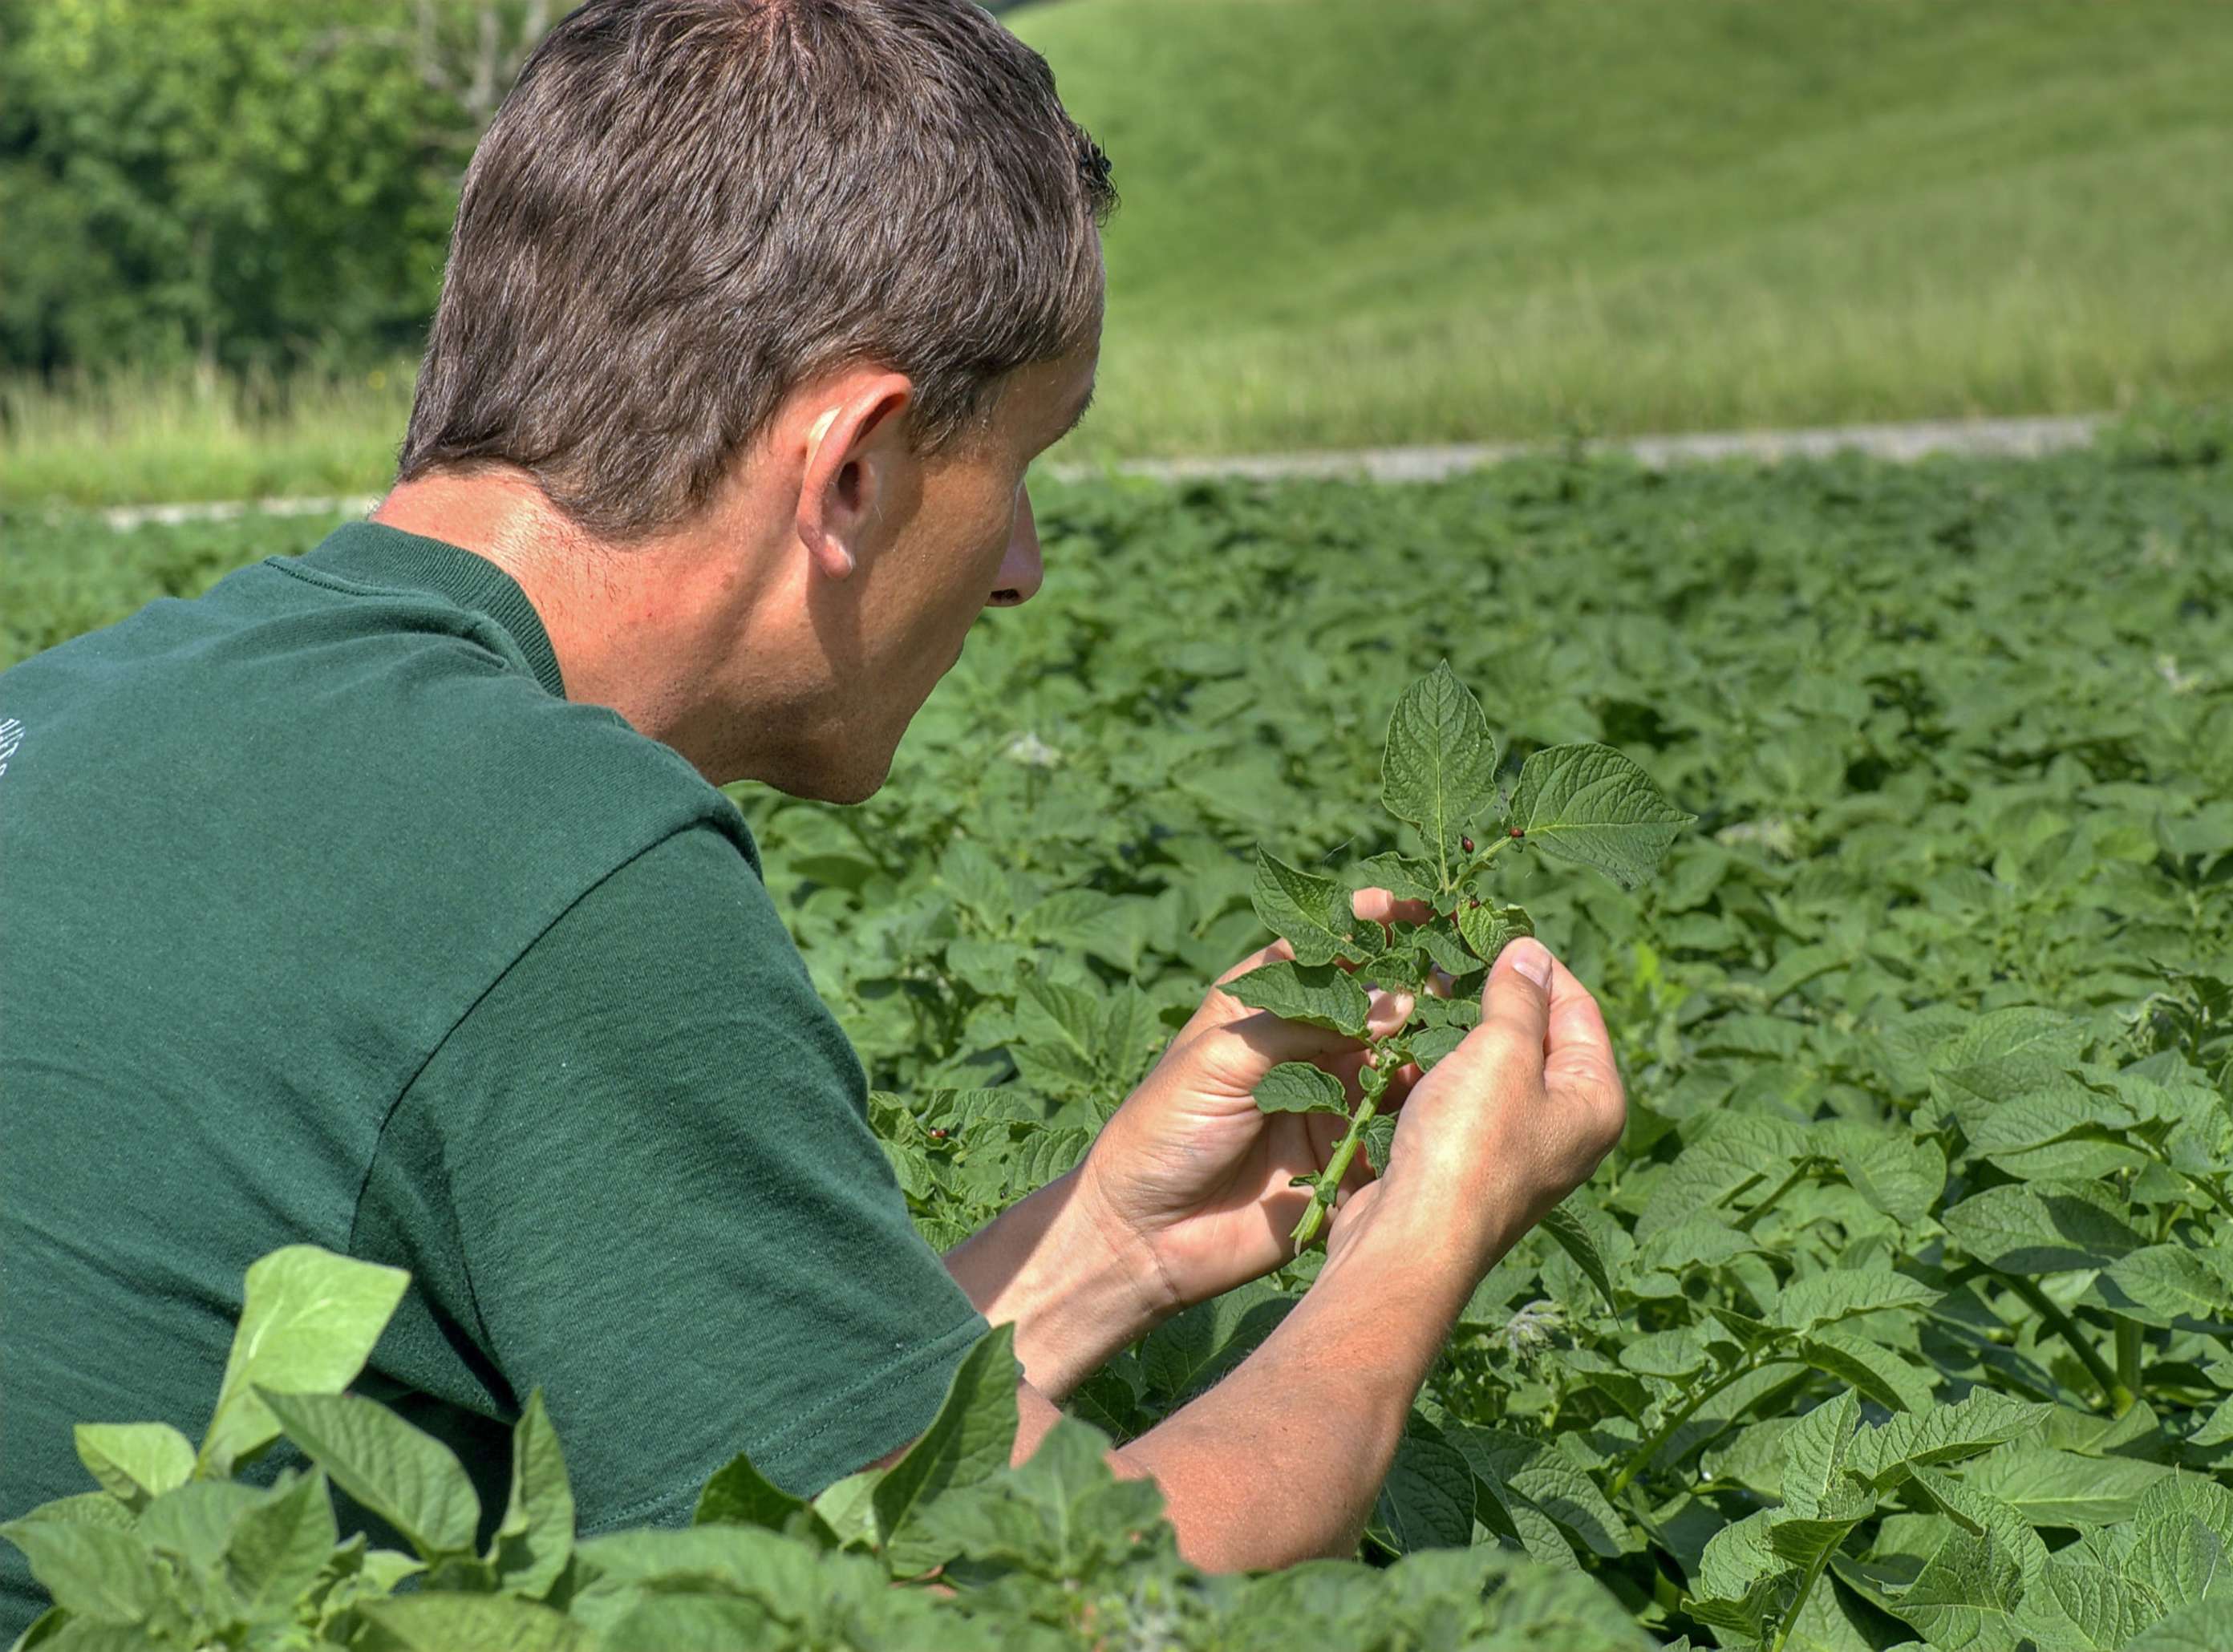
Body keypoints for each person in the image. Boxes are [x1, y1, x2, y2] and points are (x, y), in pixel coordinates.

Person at [0, 1, 1625, 1631]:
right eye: (1021, 465)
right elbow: (999, 1606)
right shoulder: (563, 857)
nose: (1021, 566)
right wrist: (1412, 1251)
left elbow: (770, 1498)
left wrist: (1106, 1245)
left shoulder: (85, 700)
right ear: (848, 470)